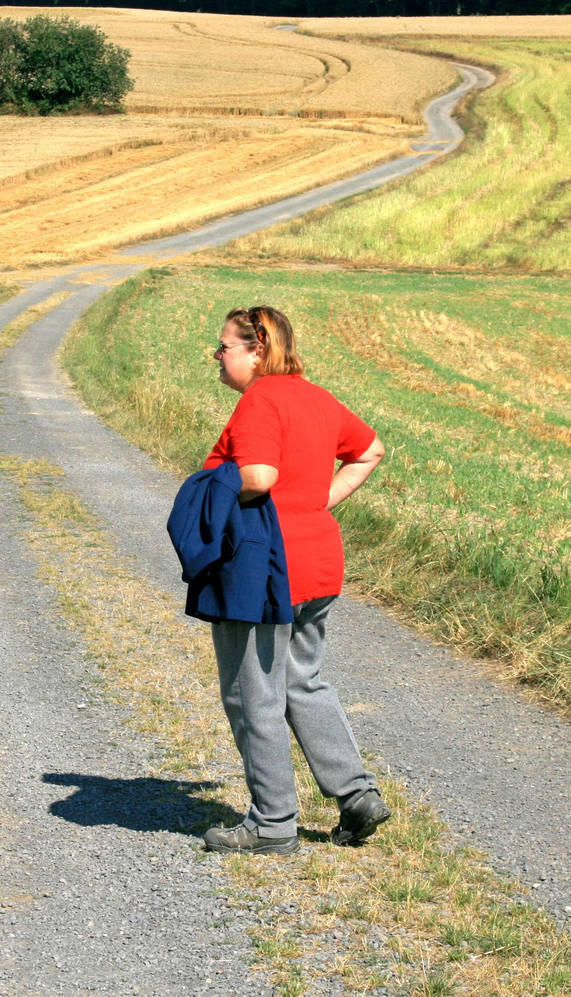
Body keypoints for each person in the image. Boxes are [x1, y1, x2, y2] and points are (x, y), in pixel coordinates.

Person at [199, 304, 388, 855]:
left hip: (266, 567)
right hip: (319, 560)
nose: (217, 355)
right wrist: (316, 501)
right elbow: (369, 449)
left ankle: (273, 824)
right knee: (302, 680)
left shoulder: (262, 397)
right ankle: (356, 796)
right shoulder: (315, 395)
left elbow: (258, 476)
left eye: (225, 346)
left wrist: (206, 499)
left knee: (250, 691)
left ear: (257, 351)